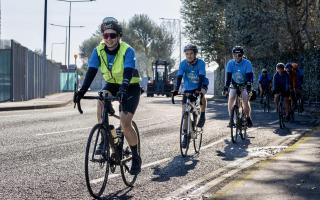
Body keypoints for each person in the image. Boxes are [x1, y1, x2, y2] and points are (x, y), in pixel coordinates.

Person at [74, 17, 141, 175]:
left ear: (118, 36)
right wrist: (82, 91)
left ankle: (136, 157)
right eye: (106, 36)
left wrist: (123, 88)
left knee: (125, 123)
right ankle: (106, 135)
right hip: (111, 83)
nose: (109, 39)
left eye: (112, 35)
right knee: (102, 97)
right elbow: (91, 71)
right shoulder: (98, 50)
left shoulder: (127, 50)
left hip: (130, 85)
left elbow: (128, 70)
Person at [172, 44, 208, 148]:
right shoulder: (183, 64)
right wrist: (176, 89)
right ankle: (186, 136)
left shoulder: (201, 63)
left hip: (201, 84)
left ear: (195, 54)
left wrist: (198, 90)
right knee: (185, 111)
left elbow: (201, 77)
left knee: (202, 95)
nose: (189, 56)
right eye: (187, 54)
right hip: (188, 88)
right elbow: (179, 77)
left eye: (191, 53)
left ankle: (203, 115)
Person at [224, 46, 254, 127]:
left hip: (244, 84)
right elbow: (229, 77)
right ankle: (231, 119)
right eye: (235, 55)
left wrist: (248, 85)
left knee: (245, 100)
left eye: (239, 55)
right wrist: (226, 87)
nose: (237, 57)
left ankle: (248, 118)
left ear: (242, 55)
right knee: (231, 98)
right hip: (234, 84)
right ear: (232, 55)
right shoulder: (230, 63)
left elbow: (249, 76)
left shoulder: (247, 63)